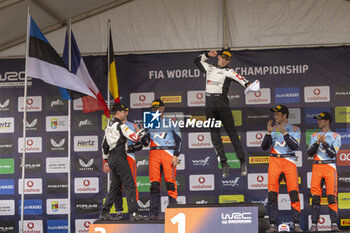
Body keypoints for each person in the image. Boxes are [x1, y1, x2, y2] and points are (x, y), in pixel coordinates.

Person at [194, 48, 259, 178]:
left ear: (228, 61)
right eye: (222, 58)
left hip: (222, 104)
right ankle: (224, 164)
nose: (224, 60)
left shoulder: (229, 71)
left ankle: (242, 162)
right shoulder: (209, 68)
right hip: (210, 105)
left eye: (227, 59)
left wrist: (248, 85)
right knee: (215, 136)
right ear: (218, 57)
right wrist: (207, 55)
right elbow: (196, 61)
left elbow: (241, 79)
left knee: (232, 134)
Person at [100, 103, 148, 221]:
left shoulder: (108, 128)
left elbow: (104, 146)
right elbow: (135, 138)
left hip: (112, 159)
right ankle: (134, 214)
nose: (124, 114)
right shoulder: (121, 126)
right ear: (118, 112)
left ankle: (105, 212)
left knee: (115, 187)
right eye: (122, 111)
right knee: (129, 184)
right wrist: (143, 130)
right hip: (120, 157)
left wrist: (106, 160)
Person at [261, 105, 302, 232]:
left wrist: (284, 132)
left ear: (284, 115)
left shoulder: (295, 129)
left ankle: (296, 224)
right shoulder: (272, 129)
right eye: (275, 114)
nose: (275, 116)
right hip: (275, 160)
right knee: (272, 194)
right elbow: (264, 147)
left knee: (294, 193)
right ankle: (272, 224)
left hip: (289, 160)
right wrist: (268, 133)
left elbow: (294, 146)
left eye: (278, 114)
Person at [142, 99, 182, 220]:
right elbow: (145, 143)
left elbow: (179, 140)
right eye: (153, 108)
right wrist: (143, 136)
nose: (155, 110)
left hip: (168, 152)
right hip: (154, 153)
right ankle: (153, 213)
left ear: (163, 108)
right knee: (154, 184)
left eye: (157, 108)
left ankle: (173, 210)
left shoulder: (171, 122)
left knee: (170, 182)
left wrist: (176, 155)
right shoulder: (149, 122)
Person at [307, 112, 341, 232]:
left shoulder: (336, 136)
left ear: (327, 121)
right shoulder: (314, 135)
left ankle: (334, 224)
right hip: (317, 167)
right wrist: (317, 142)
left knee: (332, 197)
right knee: (315, 197)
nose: (318, 122)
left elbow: (333, 154)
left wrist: (325, 143)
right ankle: (314, 224)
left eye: (320, 120)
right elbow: (309, 152)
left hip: (330, 167)